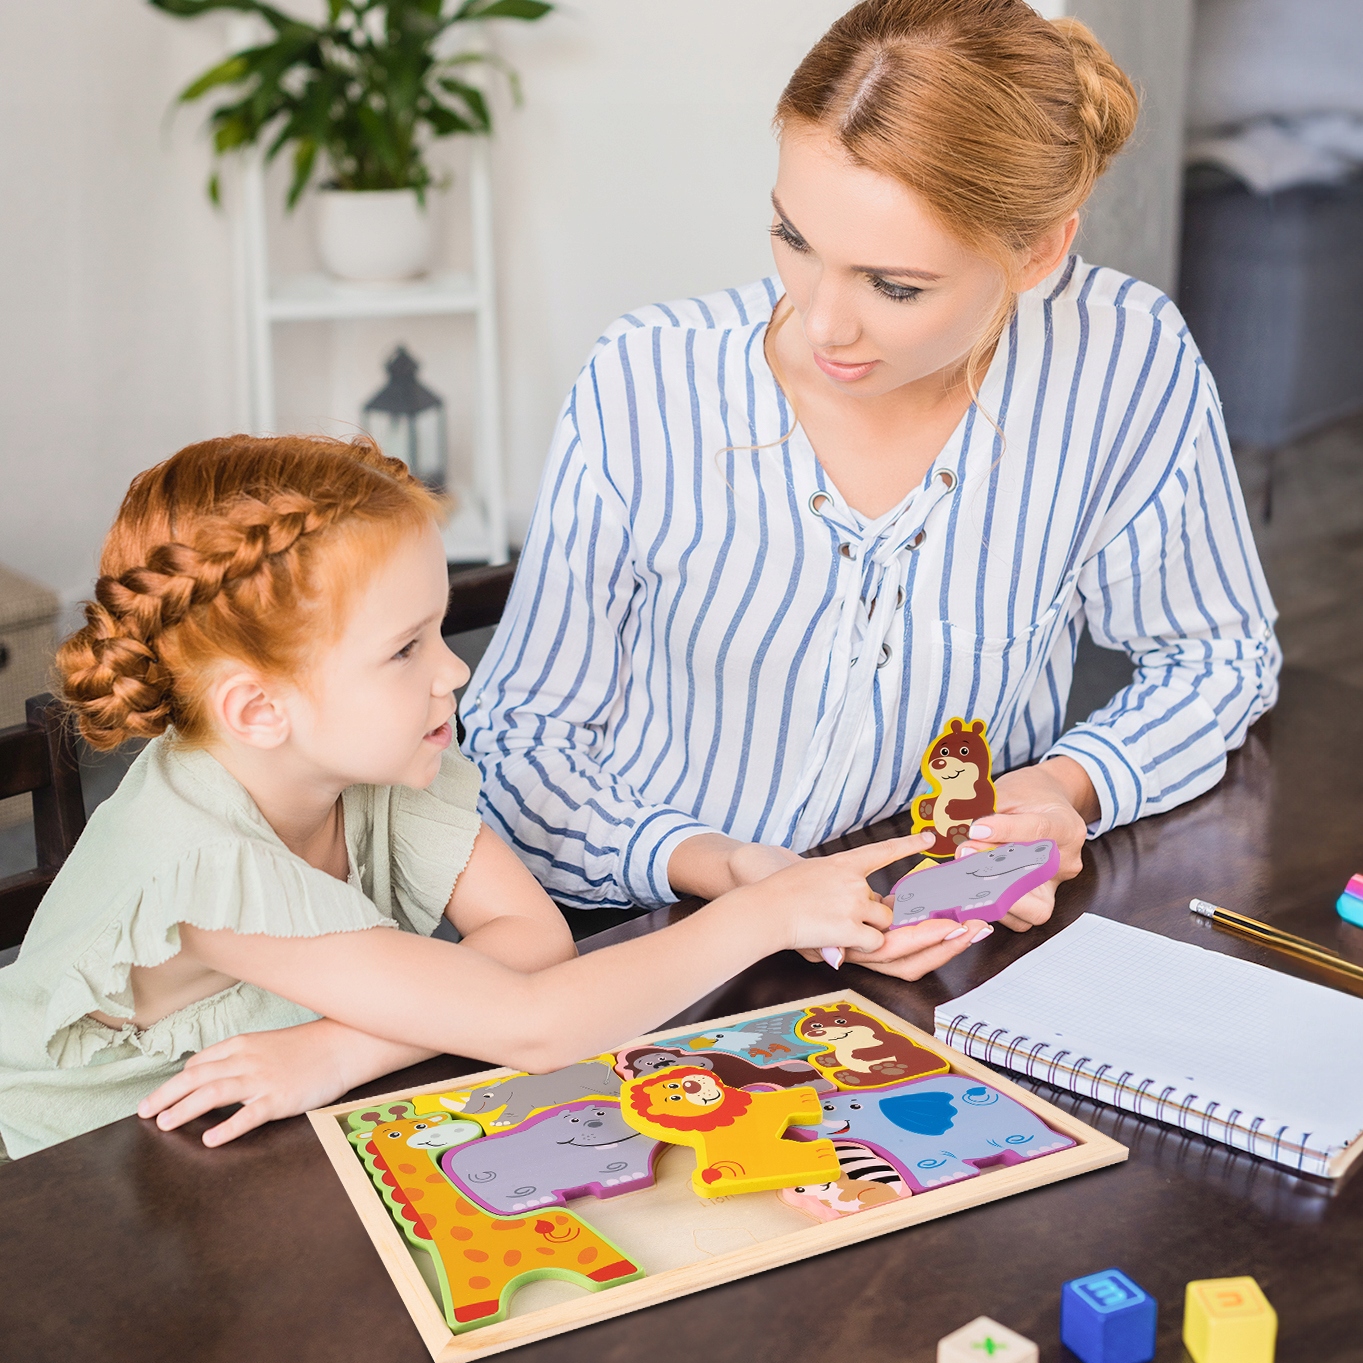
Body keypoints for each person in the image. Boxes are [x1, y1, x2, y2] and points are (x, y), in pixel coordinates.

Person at [462, 0, 1279, 961]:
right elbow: (516, 749)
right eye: (792, 238)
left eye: (893, 286)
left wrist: (1065, 786)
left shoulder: (1121, 359)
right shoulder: (647, 380)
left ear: (1037, 250)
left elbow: (1215, 659)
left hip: (936, 943)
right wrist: (726, 870)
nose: (822, 325)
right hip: (648, 932)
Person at [0, 434, 974, 1161]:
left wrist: (342, 1051)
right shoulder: (202, 864)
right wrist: (758, 915)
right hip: (73, 1177)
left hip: (237, 1132)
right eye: (405, 650)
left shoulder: (367, 759)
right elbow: (538, 1023)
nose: (453, 675)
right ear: (258, 709)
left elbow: (533, 941)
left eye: (438, 634)